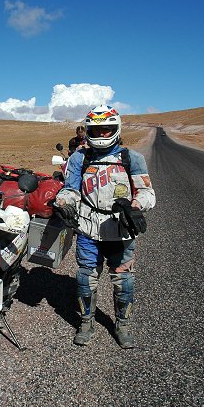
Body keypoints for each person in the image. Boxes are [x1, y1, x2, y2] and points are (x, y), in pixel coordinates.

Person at [55, 105, 156, 349]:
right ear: (88, 130)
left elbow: (147, 192)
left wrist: (134, 206)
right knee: (85, 278)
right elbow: (70, 188)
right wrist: (64, 202)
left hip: (121, 230)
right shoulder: (80, 158)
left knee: (124, 280)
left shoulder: (132, 158)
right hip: (89, 228)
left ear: (116, 129)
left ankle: (122, 325)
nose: (101, 135)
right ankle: (86, 323)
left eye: (106, 129)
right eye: (96, 130)